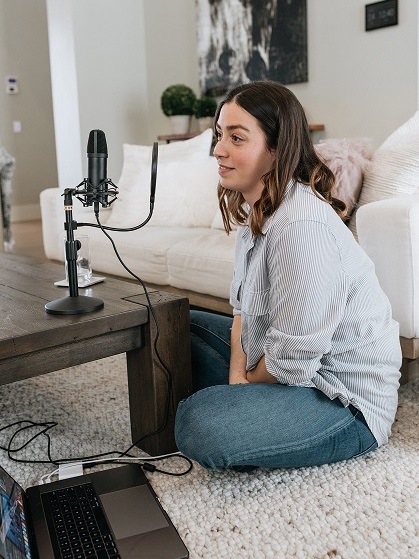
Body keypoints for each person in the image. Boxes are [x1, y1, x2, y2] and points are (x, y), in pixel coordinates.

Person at [174, 81, 402, 471]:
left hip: (341, 399)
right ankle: (241, 410)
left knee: (199, 425)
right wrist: (238, 382)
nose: (218, 150)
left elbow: (294, 360)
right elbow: (242, 312)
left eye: (236, 138)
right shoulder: (259, 213)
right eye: (218, 135)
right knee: (173, 323)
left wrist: (241, 390)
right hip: (288, 369)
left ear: (276, 148)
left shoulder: (301, 225)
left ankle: (235, 418)